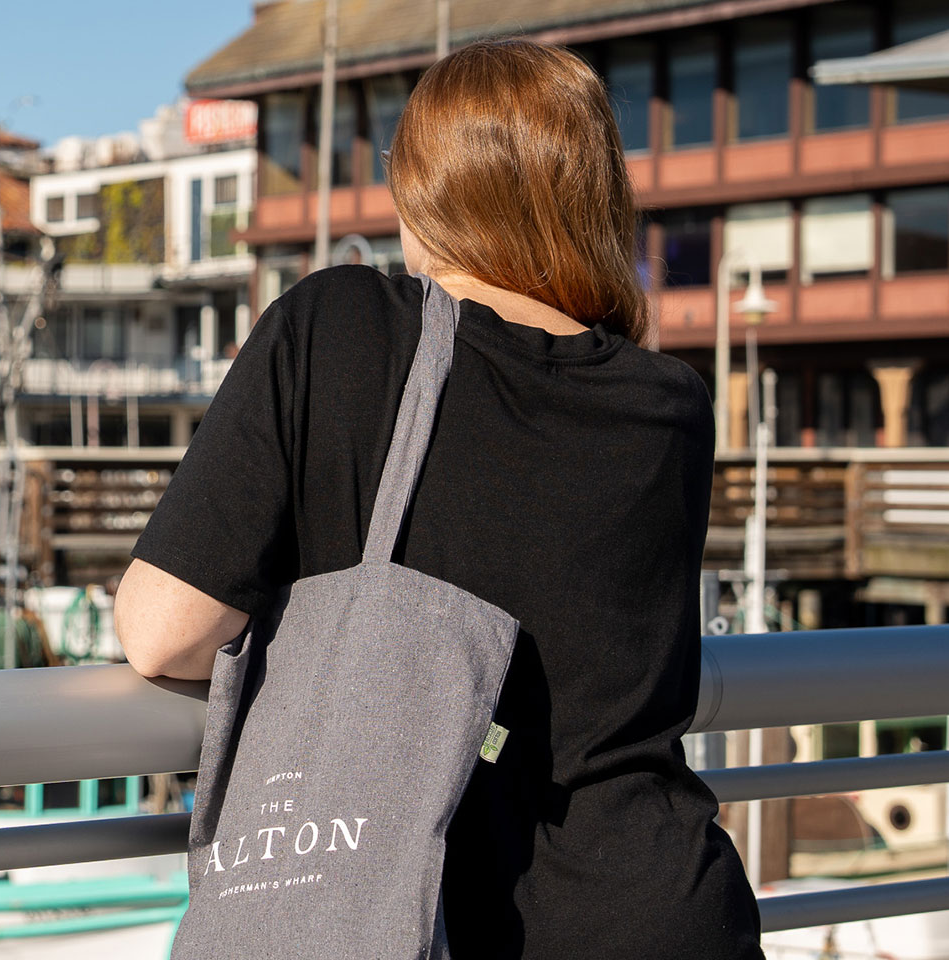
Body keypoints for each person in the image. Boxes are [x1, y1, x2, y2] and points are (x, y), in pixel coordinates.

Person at [114, 38, 762, 960]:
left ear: (425, 190)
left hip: (433, 920)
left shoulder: (340, 324)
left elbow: (162, 630)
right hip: (666, 913)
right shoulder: (670, 405)